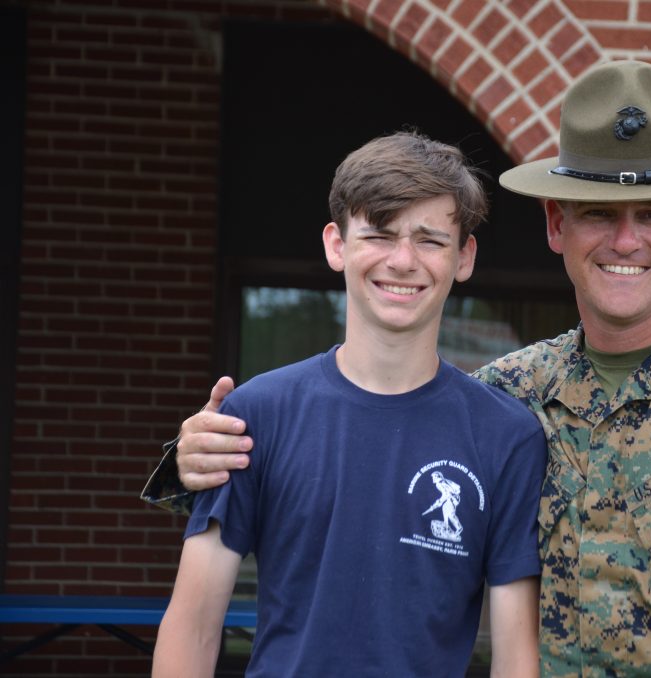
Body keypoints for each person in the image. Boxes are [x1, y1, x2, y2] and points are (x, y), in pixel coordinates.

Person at [144, 61, 651, 676]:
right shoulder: (511, 398)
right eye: (596, 214)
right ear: (556, 224)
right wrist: (193, 457)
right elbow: (371, 436)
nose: (625, 241)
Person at [150, 131, 546, 677]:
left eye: (430, 240)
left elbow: (515, 656)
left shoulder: (506, 436)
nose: (403, 261)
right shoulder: (257, 414)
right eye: (380, 235)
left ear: (464, 257)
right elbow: (193, 626)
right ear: (337, 245)